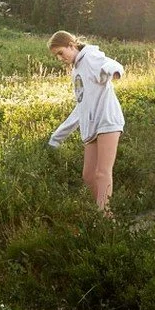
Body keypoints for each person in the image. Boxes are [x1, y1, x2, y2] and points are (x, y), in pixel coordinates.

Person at [47, 30, 124, 215]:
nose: (60, 58)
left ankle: (103, 217)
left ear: (71, 45)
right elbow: (80, 107)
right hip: (91, 126)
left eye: (61, 53)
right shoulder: (76, 70)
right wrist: (57, 137)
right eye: (56, 55)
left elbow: (110, 64)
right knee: (89, 176)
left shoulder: (90, 56)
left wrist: (111, 72)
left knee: (102, 172)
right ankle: (105, 214)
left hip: (107, 120)